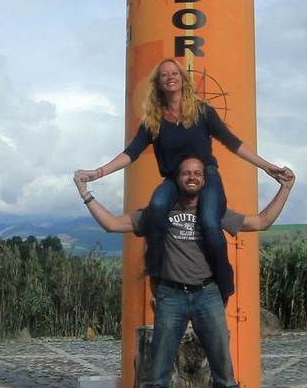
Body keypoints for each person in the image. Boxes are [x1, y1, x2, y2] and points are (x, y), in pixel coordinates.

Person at [75, 154, 295, 388]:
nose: (192, 176)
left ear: (205, 180)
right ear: (176, 179)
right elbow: (113, 225)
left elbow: (261, 222)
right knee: (157, 377)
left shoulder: (214, 211)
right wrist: (85, 193)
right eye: (186, 172)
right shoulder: (158, 212)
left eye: (197, 173)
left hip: (208, 295)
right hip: (170, 296)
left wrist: (285, 188)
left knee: (224, 375)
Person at [73, 58, 289, 247]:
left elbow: (233, 143)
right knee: (157, 207)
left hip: (206, 175)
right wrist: (98, 173)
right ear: (158, 82)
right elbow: (131, 152)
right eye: (164, 75)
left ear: (183, 79)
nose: (170, 77)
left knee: (210, 219)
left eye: (174, 73)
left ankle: (219, 274)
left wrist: (266, 166)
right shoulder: (153, 120)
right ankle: (156, 264)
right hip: (174, 178)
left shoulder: (202, 111)